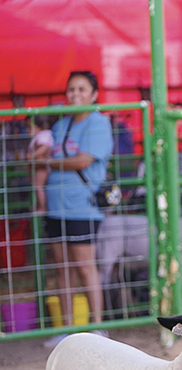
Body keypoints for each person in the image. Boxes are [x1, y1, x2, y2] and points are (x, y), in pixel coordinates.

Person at [39, 71, 114, 348]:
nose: (75, 95)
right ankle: (67, 329)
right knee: (63, 269)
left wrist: (49, 164)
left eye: (82, 89)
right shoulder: (61, 125)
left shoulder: (98, 123)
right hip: (56, 206)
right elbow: (47, 153)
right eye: (71, 89)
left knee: (85, 267)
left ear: (94, 94)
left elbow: (83, 161)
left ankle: (97, 326)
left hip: (82, 207)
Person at [27, 114, 55, 214]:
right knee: (37, 186)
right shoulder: (41, 136)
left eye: (30, 127)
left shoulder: (43, 135)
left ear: (39, 126)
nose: (28, 131)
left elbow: (44, 147)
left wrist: (32, 155)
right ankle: (39, 204)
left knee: (38, 186)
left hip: (42, 166)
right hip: (39, 165)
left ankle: (42, 207)